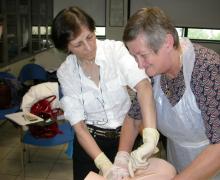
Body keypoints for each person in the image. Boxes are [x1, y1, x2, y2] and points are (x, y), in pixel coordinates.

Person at [51, 6, 159, 180]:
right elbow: (79, 127)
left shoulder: (115, 51)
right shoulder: (66, 72)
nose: (88, 47)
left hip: (126, 139)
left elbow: (143, 85)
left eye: (90, 37)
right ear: (66, 48)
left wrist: (150, 134)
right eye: (78, 44)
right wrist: (104, 164)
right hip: (91, 145)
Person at [120, 7, 220, 180]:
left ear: (167, 42)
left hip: (212, 163)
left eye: (143, 56)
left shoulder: (206, 69)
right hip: (178, 158)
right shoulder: (152, 74)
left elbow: (219, 145)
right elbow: (135, 118)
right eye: (135, 57)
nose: (139, 65)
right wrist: (121, 158)